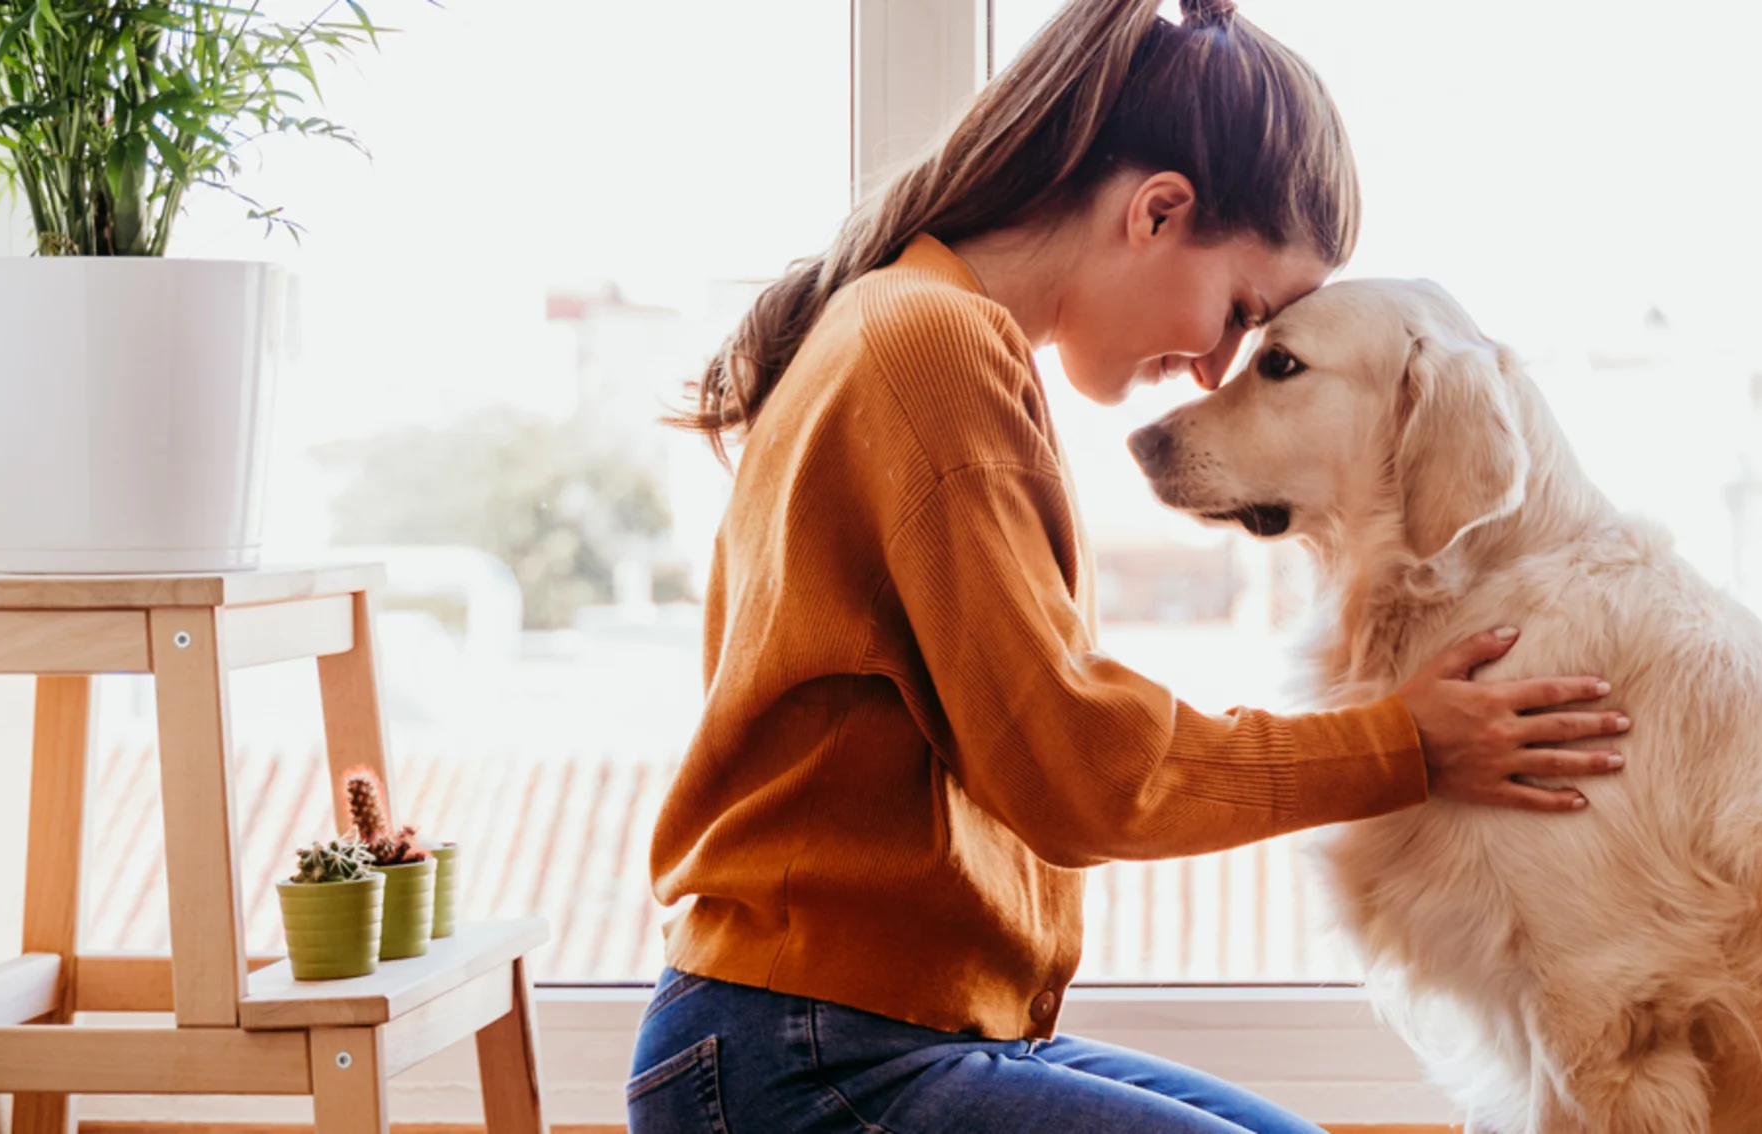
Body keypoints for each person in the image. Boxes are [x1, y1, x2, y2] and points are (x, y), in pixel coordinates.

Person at [627, 1, 1628, 1130]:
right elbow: (1077, 772)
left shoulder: (920, 330)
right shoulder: (930, 346)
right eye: (1241, 310)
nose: (1213, 370)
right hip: (802, 1056)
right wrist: (1401, 743)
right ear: (1159, 211)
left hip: (863, 1033)